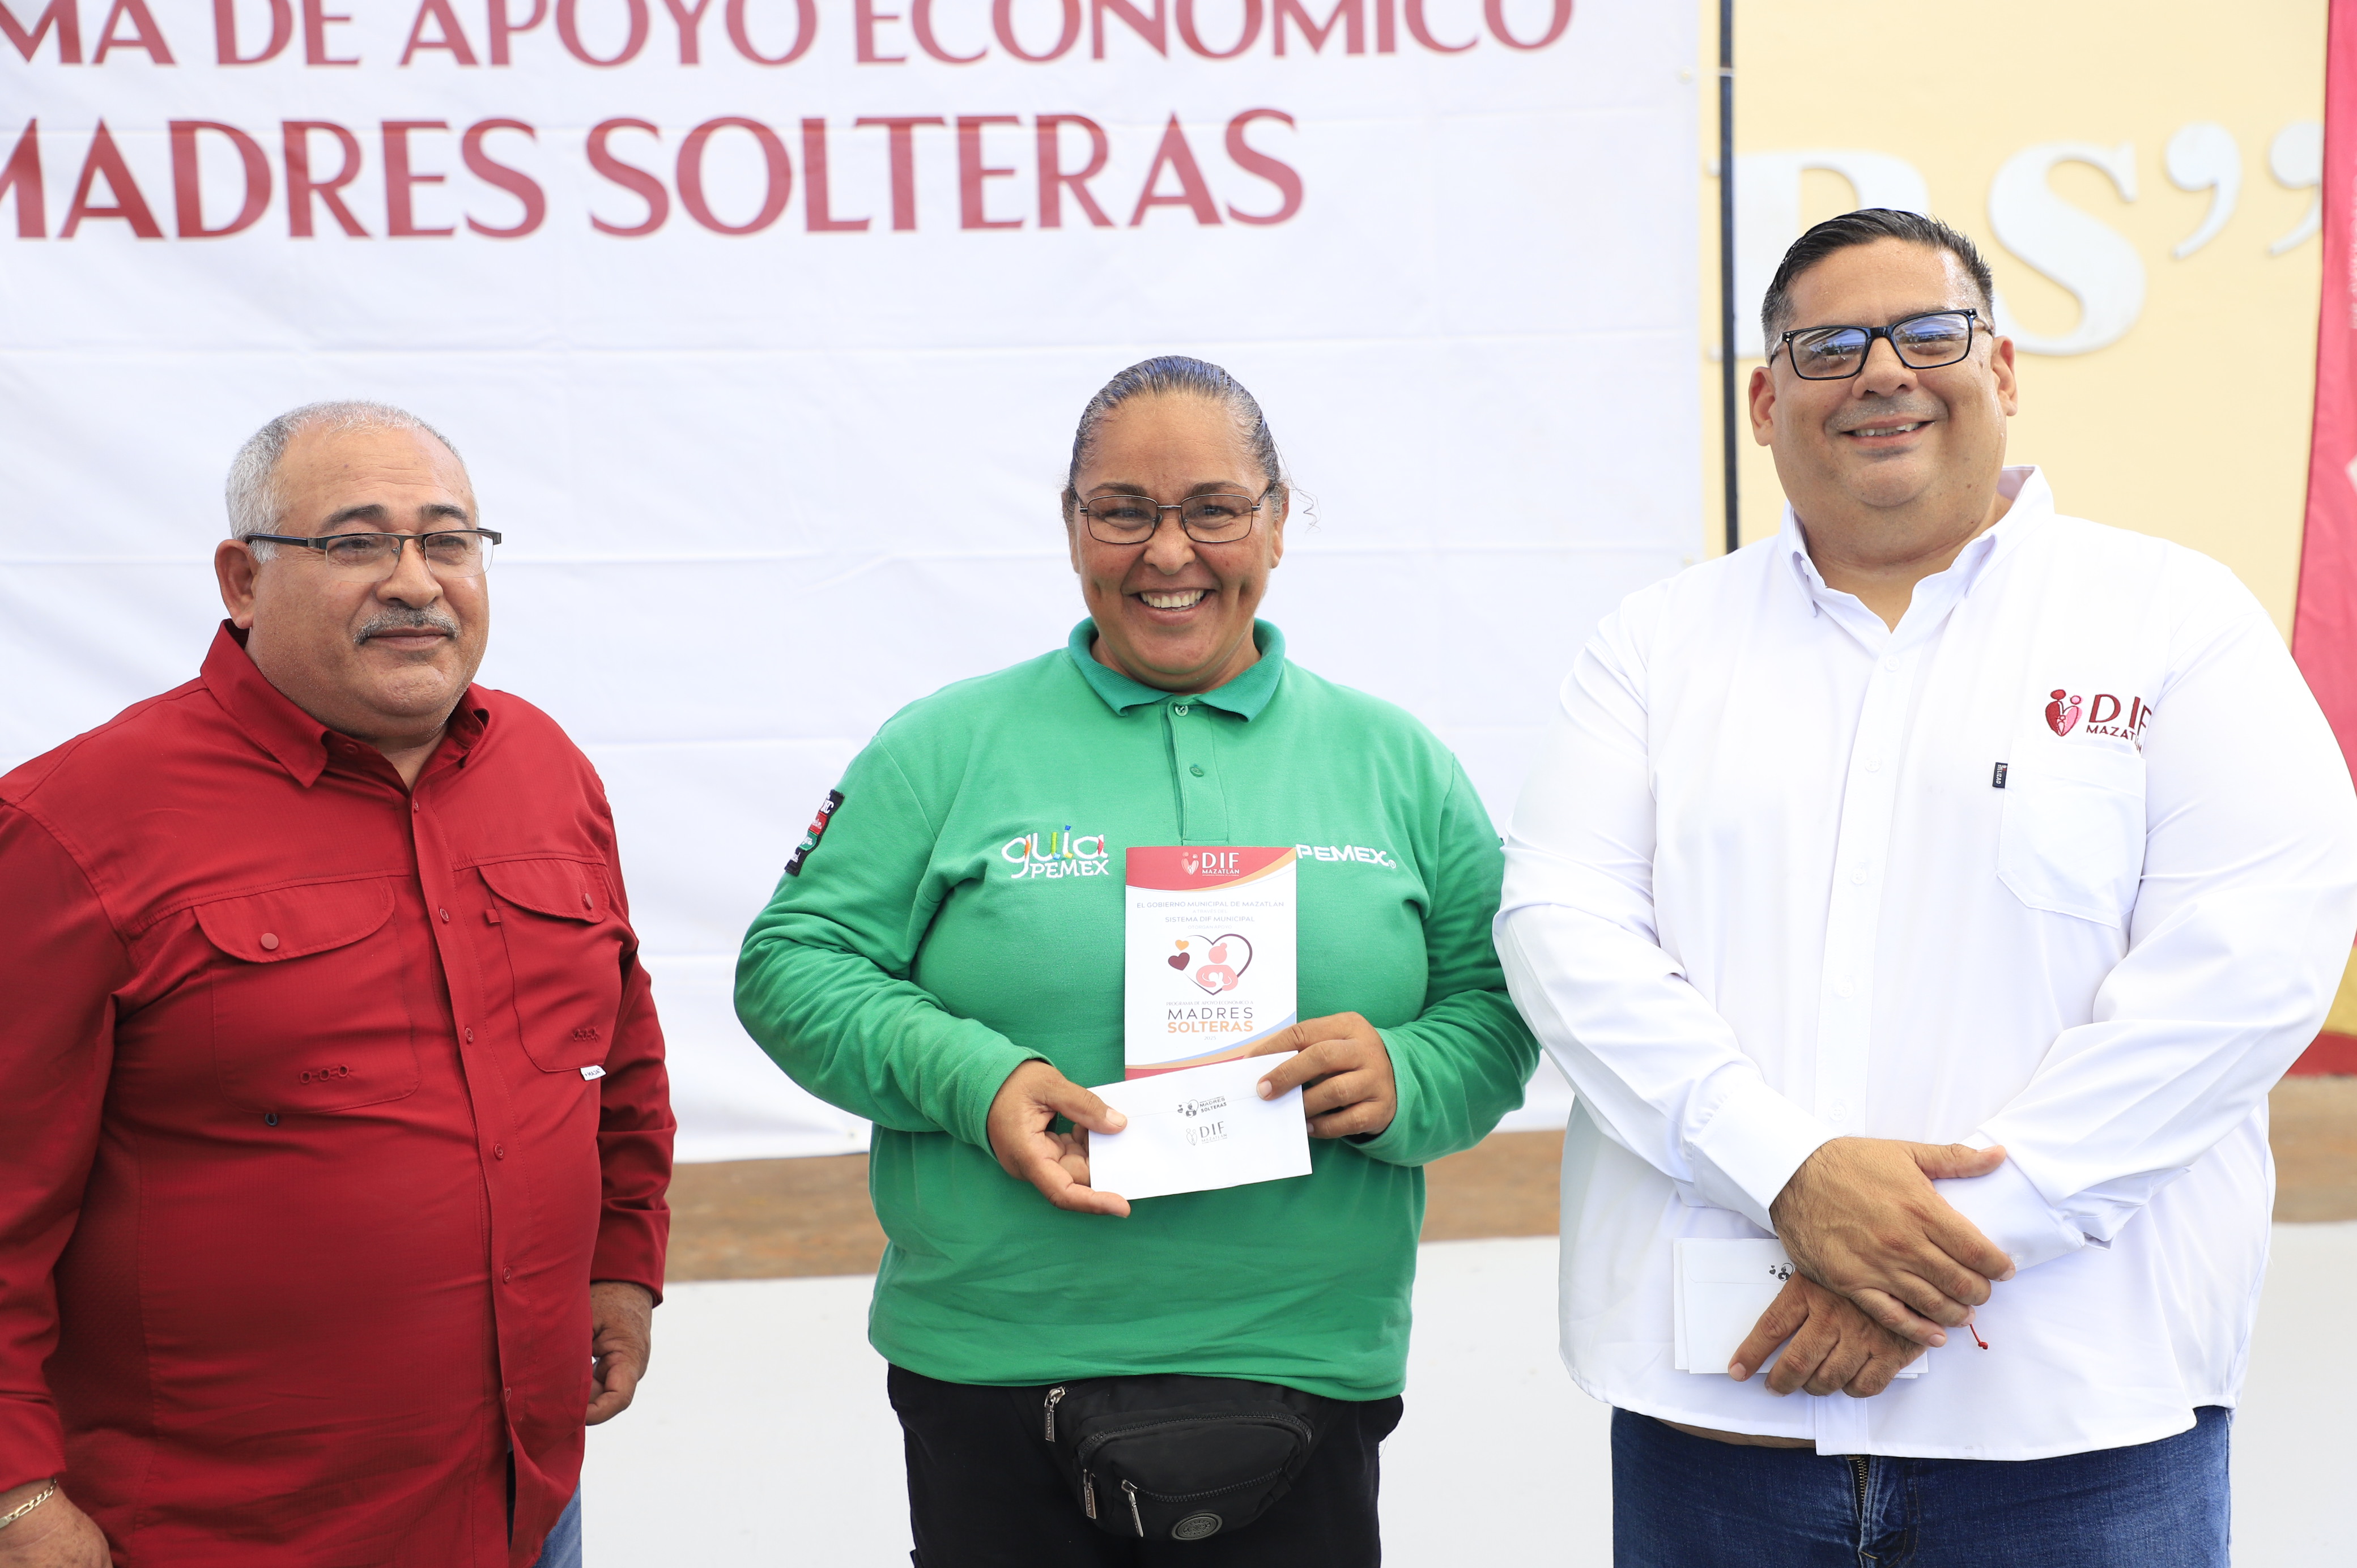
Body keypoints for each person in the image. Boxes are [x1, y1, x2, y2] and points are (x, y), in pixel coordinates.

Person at [1495, 207, 2357, 1566]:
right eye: (1830, 347)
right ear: (1766, 401)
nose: (1883, 371)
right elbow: (1564, 932)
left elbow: (2248, 963)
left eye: (1928, 333)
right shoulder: (1656, 645)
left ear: (2001, 368)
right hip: (1726, 1425)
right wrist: (1785, 1172)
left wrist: (1931, 1244)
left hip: (2075, 1430)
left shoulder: (2173, 620)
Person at [736, 356, 1538, 1565]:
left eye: (1214, 509)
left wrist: (1406, 1076)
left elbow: (1499, 1006)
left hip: (1305, 1361)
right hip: (1000, 1368)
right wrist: (978, 1081)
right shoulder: (945, 747)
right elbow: (792, 964)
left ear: (1278, 520)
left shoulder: (1396, 761)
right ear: (1072, 527)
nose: (1169, 553)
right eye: (1123, 511)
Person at [0, 402, 675, 1568]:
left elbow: (620, 1055)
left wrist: (623, 1262)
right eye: (356, 542)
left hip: (523, 1503)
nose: (415, 581)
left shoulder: (546, 770)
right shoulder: (74, 826)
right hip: (230, 1535)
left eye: (448, 540)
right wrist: (15, 1495)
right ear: (242, 580)